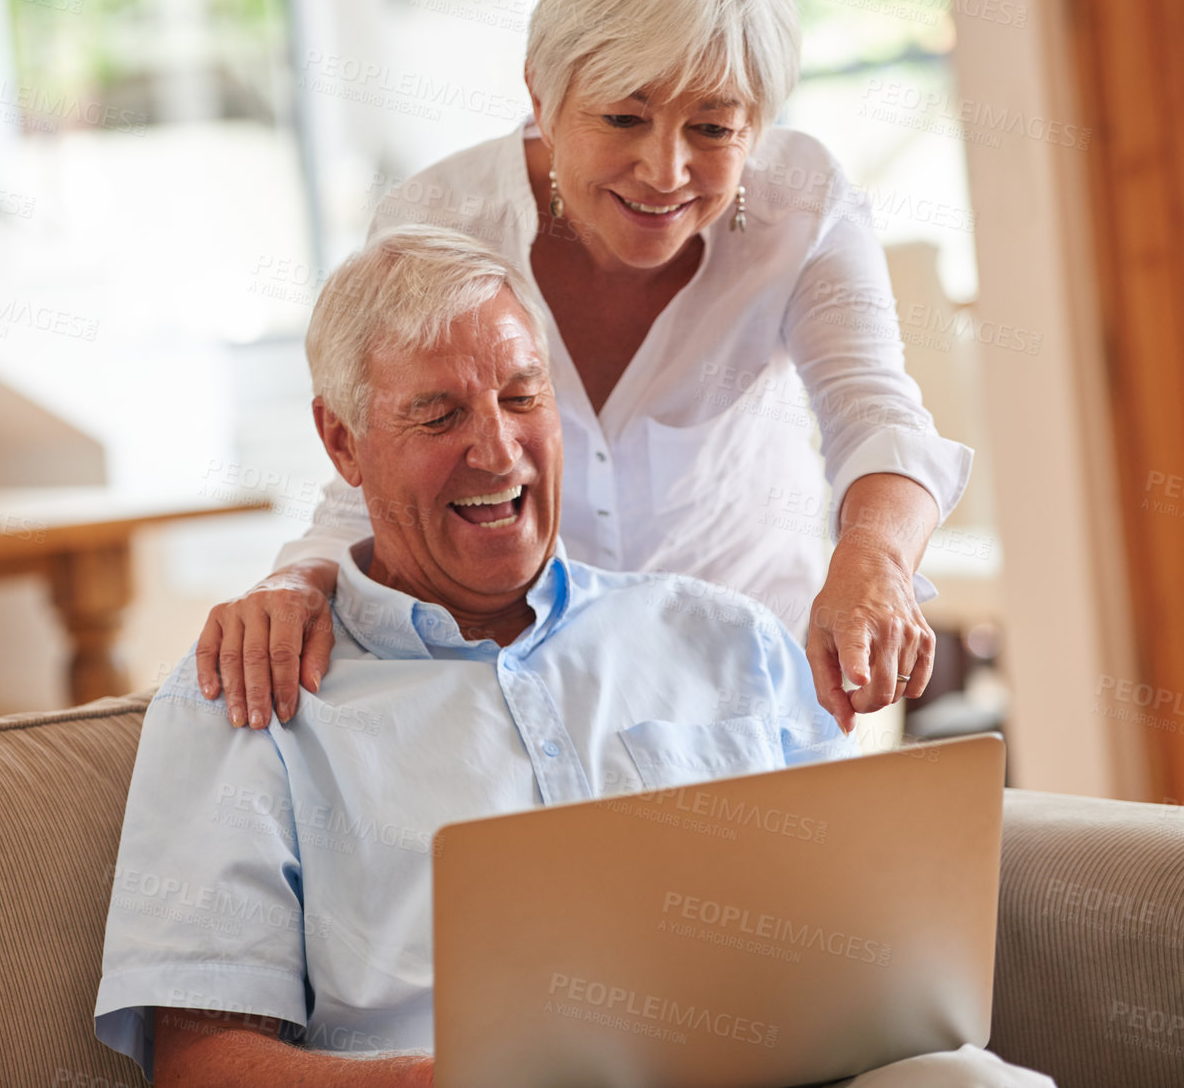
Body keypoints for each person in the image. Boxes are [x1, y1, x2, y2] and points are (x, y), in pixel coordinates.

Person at [94, 227, 1049, 1087]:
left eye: (521, 396)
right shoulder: (248, 692)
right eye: (437, 415)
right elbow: (203, 1059)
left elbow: (860, 948)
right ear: (342, 442)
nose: (498, 450)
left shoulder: (728, 639)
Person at [196, 0, 972, 737]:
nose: (664, 170)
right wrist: (291, 585)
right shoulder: (441, 223)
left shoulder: (801, 204)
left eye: (712, 129)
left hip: (757, 690)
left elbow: (878, 418)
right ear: (542, 95)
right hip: (537, 699)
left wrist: (873, 560)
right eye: (622, 116)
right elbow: (382, 467)